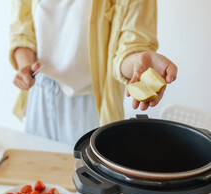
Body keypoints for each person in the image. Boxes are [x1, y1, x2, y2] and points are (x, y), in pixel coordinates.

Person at [9, 0, 177, 146]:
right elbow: (22, 32)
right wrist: (26, 66)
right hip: (39, 94)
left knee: (86, 178)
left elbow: (132, 46)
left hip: (91, 104)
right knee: (36, 176)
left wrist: (139, 62)